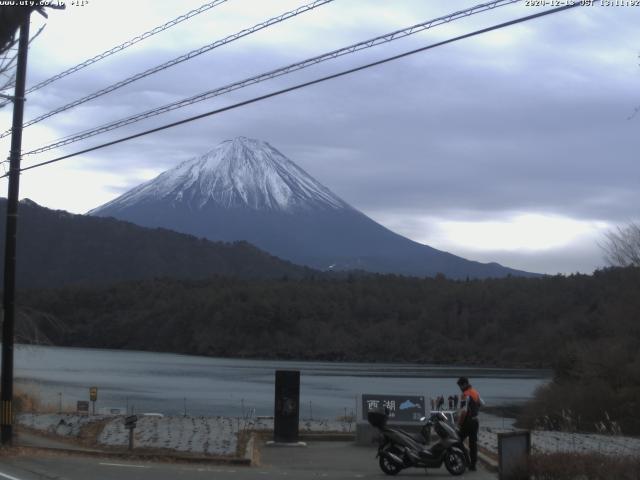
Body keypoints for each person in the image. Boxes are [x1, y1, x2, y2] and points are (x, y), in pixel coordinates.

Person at [456, 377, 482, 471]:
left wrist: (459, 423)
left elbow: (463, 412)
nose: (460, 388)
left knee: (457, 440)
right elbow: (481, 403)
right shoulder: (475, 392)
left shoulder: (464, 395)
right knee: (473, 444)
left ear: (465, 384)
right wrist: (475, 410)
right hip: (475, 421)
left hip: (467, 422)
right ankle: (473, 465)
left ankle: (466, 459)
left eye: (460, 385)